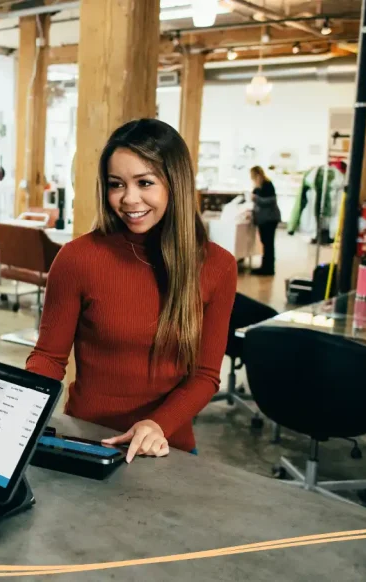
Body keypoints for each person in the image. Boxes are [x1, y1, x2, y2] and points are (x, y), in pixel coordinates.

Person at [26, 119, 237, 461]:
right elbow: (49, 358)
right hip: (87, 440)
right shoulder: (78, 258)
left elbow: (206, 375)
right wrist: (19, 408)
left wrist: (157, 424)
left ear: (175, 183)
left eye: (145, 182)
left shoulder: (217, 266)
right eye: (116, 184)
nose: (128, 199)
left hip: (166, 448)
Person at [249, 166, 281, 276]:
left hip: (270, 219)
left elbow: (271, 200)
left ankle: (268, 268)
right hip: (263, 219)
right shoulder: (257, 187)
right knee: (265, 243)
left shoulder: (267, 185)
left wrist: (256, 199)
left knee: (268, 244)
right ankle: (265, 266)